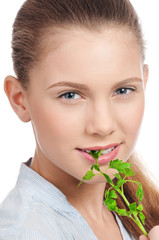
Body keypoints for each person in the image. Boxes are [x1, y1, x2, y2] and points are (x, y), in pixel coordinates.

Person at [0, 0, 159, 239]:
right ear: (20, 99)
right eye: (70, 95)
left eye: (123, 90)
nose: (103, 126)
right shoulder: (23, 233)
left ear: (144, 83)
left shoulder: (136, 207)